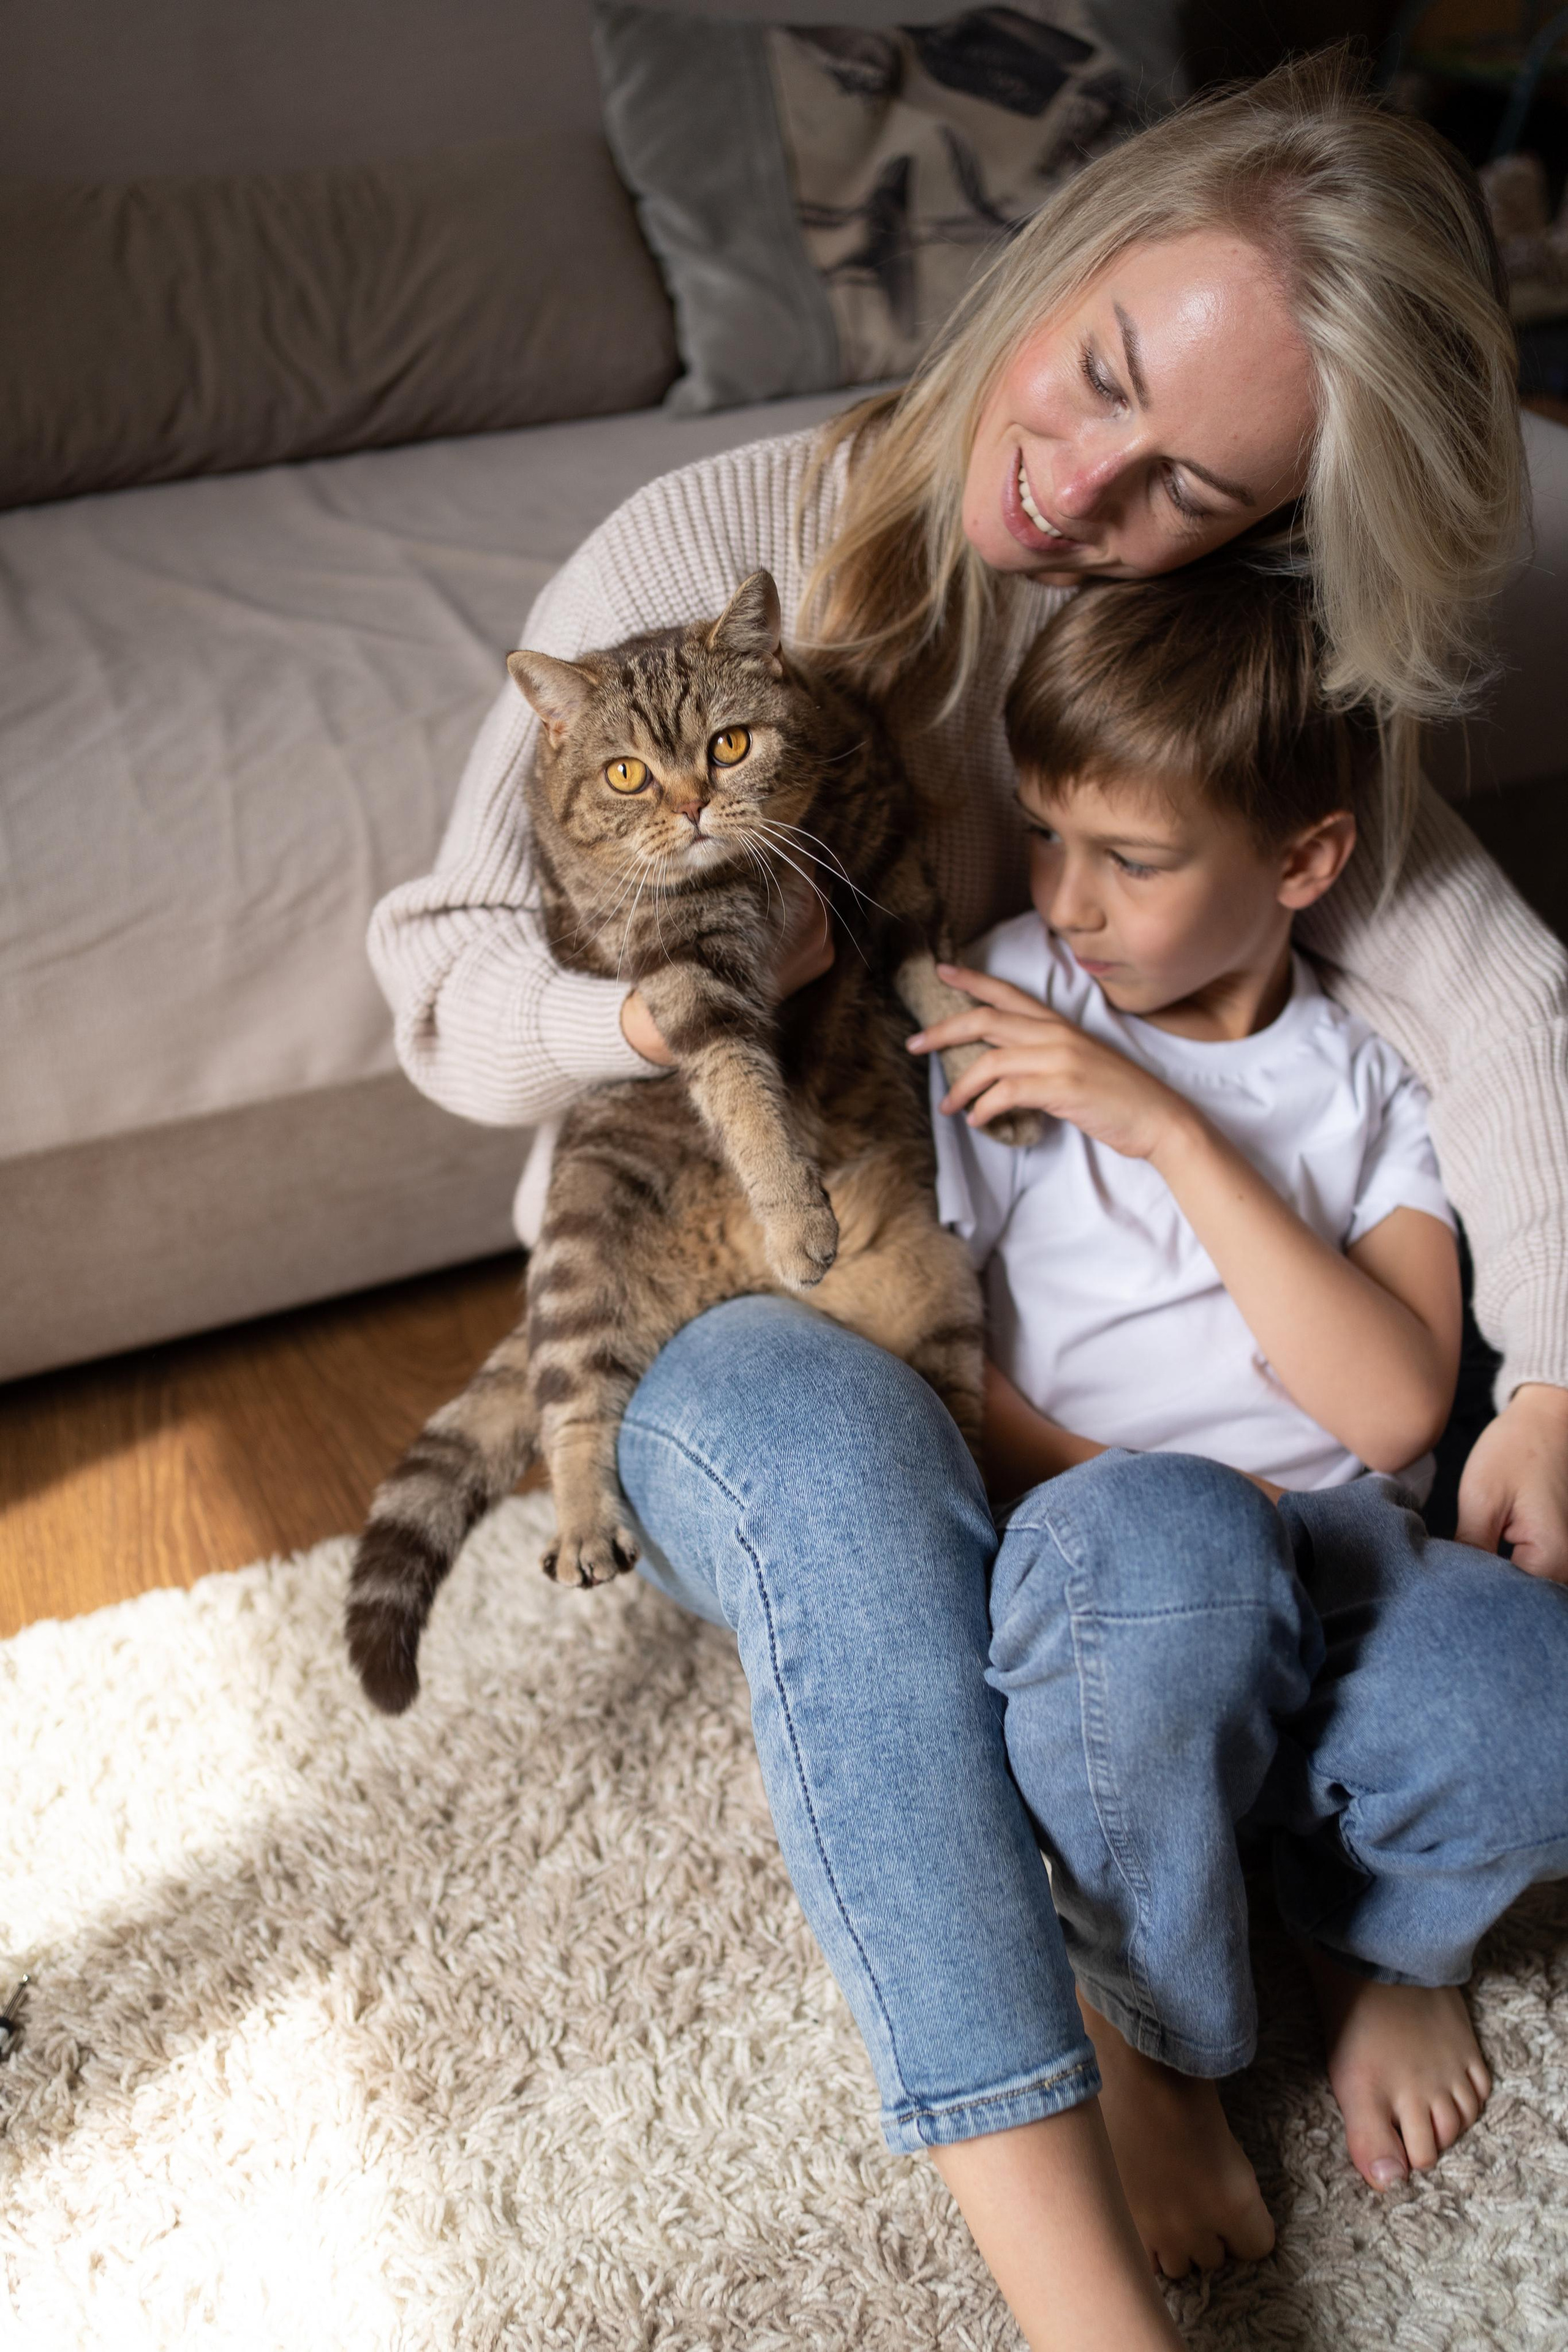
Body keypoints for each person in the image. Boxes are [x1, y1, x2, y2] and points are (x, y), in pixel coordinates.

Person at [368, 52, 1568, 2348]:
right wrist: (662, 1023)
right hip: (723, 1263)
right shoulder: (711, 552)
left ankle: (1206, 1916)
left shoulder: (1188, 662)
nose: (1083, 477)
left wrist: (1558, 1388)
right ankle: (1076, 2284)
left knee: (1346, 1625)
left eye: (1184, 481)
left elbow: (1492, 991)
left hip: (1024, 1334)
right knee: (853, 1485)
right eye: (1099, 371)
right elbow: (436, 982)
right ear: (1068, 255)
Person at [908, 558, 1568, 2280]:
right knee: (1174, 1559)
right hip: (1116, 1545)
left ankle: (1377, 1940)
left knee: (1540, 1688)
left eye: (1132, 860)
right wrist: (1158, 1501)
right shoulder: (988, 1013)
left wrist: (1171, 1132)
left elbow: (1402, 1398)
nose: (1071, 900)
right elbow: (943, 1365)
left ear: (1304, 864)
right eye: (1048, 839)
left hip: (1344, 1553)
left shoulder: (1360, 1080)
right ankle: (1158, 2031)